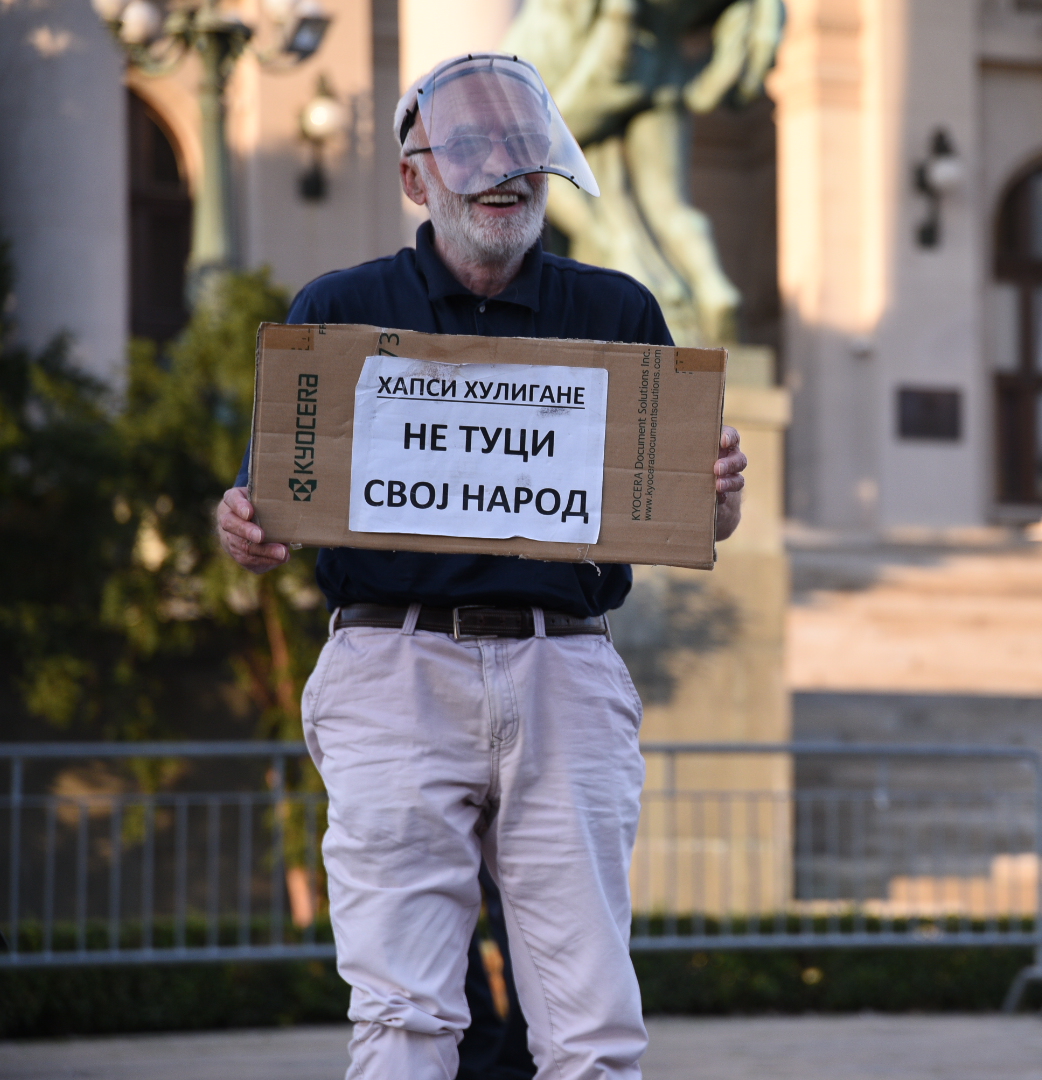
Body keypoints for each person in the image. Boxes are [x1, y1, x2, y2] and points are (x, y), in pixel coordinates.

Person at [214, 53, 746, 1080]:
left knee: (593, 1029)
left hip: (564, 668)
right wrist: (240, 523)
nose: (501, 171)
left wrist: (717, 498)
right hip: (394, 667)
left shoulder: (620, 312)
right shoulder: (338, 307)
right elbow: (266, 500)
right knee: (403, 1015)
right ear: (415, 177)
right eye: (469, 148)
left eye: (519, 148)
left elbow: (690, 510)